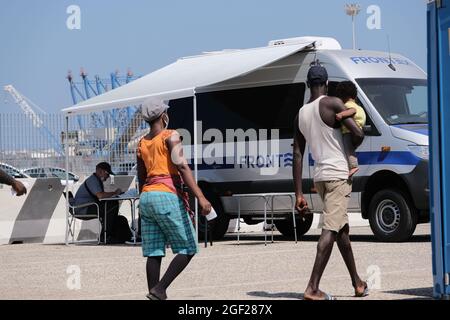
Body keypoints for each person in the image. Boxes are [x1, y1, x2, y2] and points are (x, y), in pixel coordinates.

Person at [293, 63, 368, 300]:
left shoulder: (301, 114)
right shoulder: (333, 103)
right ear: (326, 84)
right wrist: (354, 143)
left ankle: (357, 283)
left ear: (308, 85)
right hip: (338, 175)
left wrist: (298, 194)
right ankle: (312, 288)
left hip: (321, 179)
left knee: (341, 230)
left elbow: (297, 154)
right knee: (330, 229)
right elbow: (357, 133)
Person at [137, 97, 212, 300]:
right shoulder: (172, 136)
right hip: (166, 196)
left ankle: (155, 294)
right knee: (189, 246)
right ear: (164, 116)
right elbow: (182, 167)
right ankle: (160, 289)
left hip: (146, 197)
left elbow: (141, 177)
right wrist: (201, 198)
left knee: (154, 252)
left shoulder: (141, 143)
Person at [73, 162, 124, 244]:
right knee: (111, 205)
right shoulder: (93, 180)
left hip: (87, 206)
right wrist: (114, 193)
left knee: (110, 206)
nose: (107, 177)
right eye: (107, 174)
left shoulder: (96, 180)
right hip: (83, 209)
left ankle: (109, 235)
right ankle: (105, 236)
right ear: (100, 171)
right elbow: (100, 195)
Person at [335, 81, 367, 177]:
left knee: (348, 150)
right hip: (357, 129)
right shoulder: (358, 106)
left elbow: (352, 111)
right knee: (350, 150)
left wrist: (341, 114)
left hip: (349, 131)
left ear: (342, 95)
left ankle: (353, 166)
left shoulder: (348, 105)